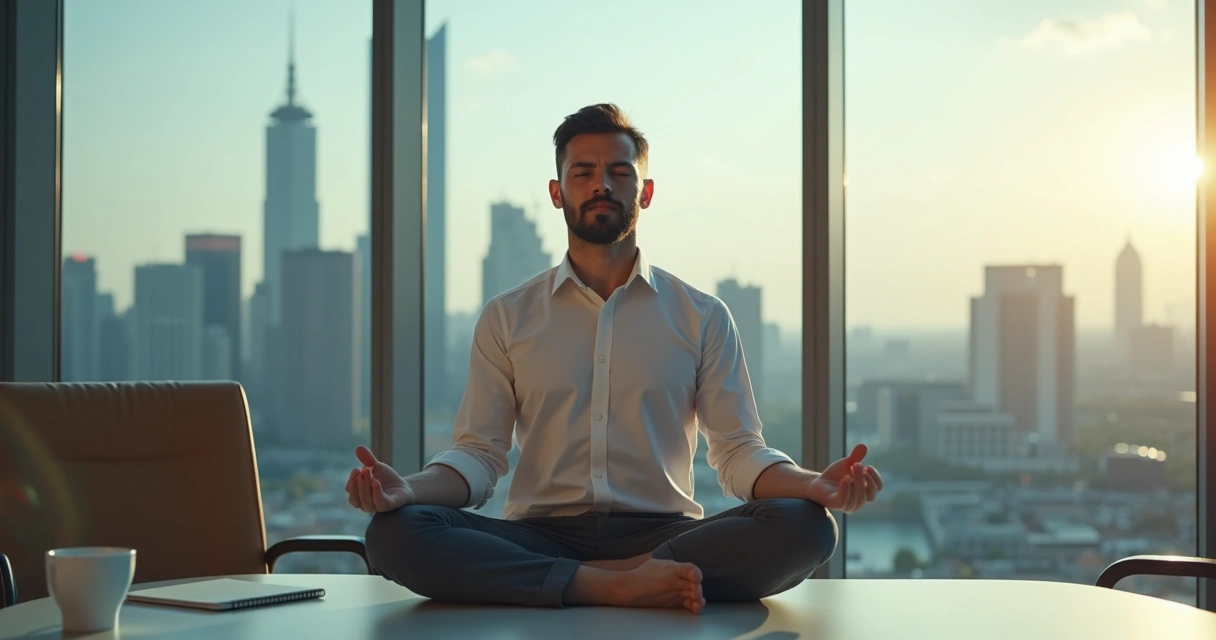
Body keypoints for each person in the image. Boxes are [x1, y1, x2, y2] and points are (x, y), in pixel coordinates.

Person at [347, 103, 884, 613]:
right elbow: (481, 456)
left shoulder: (702, 315)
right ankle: (617, 585)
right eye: (582, 172)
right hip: (540, 533)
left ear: (645, 192)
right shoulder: (507, 316)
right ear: (557, 194)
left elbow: (738, 453)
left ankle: (597, 579)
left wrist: (812, 484)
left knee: (807, 524)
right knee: (394, 532)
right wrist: (408, 489)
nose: (601, 184)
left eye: (619, 172)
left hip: (665, 532)